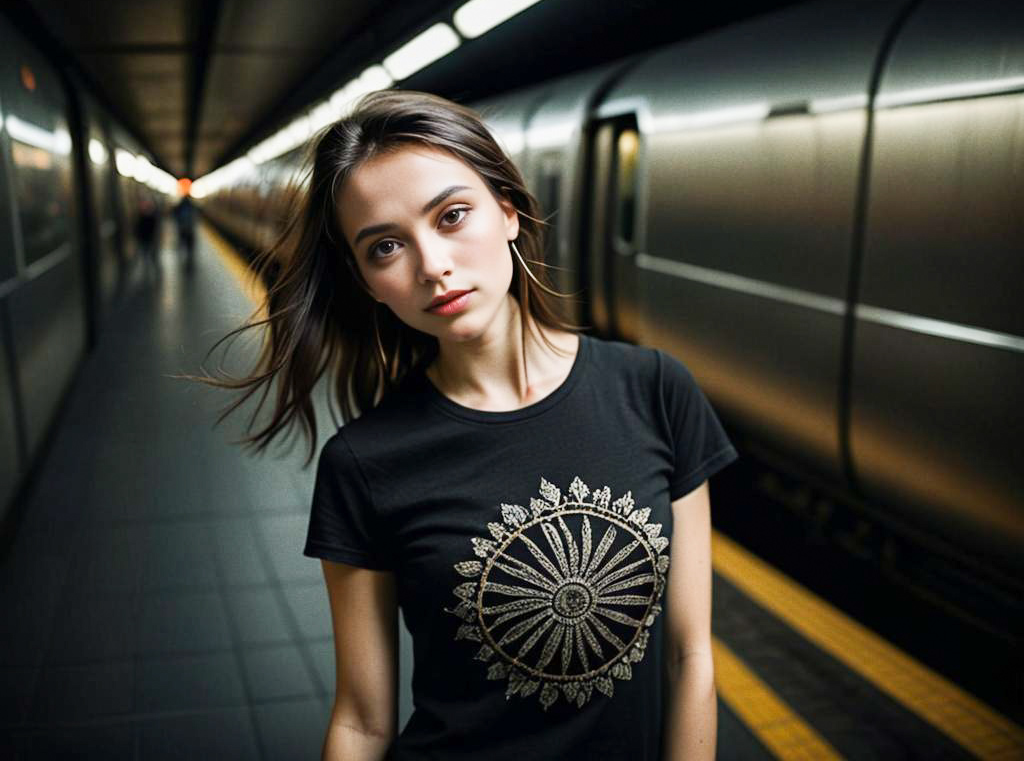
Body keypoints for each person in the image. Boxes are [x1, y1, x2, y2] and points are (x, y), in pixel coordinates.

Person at [191, 90, 738, 760]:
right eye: (386, 246)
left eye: (452, 216)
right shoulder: (363, 464)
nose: (432, 266)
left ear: (508, 210)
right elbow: (362, 721)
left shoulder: (655, 391)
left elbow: (688, 657)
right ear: (367, 281)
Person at [172, 196, 197, 267]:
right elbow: (194, 218)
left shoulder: (180, 206)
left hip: (182, 229)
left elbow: (175, 215)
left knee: (182, 243)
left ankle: (183, 256)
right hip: (189, 229)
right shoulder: (192, 206)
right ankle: (189, 258)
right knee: (189, 245)